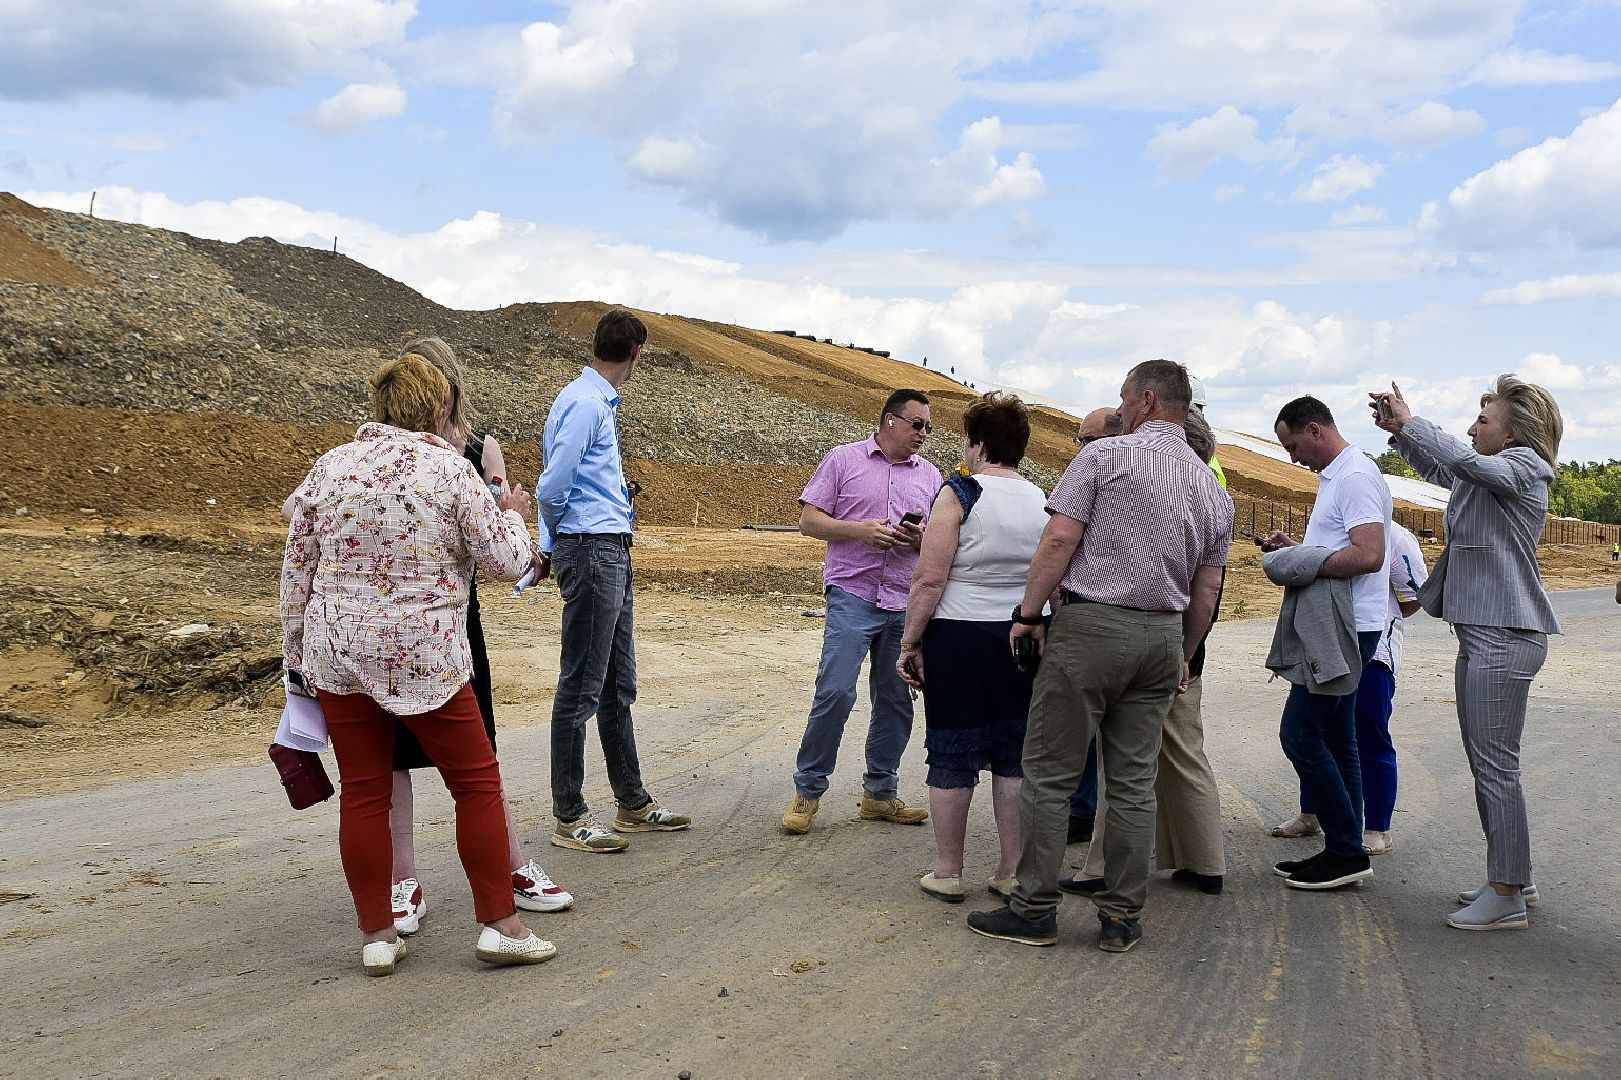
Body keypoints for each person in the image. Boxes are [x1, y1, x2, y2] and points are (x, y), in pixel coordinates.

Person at [281, 352, 555, 975]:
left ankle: (378, 936)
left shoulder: (330, 468)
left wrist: (296, 661)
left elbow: (296, 572)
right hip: (423, 656)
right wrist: (510, 508)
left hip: (339, 653)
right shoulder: (448, 472)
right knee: (476, 782)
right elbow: (509, 564)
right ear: (442, 408)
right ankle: (499, 925)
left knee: (366, 792)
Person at [965, 359, 1232, 954]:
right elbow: (1208, 589)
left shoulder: (1104, 457)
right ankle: (1120, 917)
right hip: (1161, 635)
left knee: (1050, 773)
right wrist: (1184, 655)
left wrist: (1028, 613)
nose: (1120, 408)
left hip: (1092, 627)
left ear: (1145, 399)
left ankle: (1034, 907)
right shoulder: (1211, 487)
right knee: (1134, 783)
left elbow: (1060, 537)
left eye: (1122, 398)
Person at [382, 338, 572, 929]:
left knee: (478, 755)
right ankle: (402, 882)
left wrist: (505, 504)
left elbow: (493, 534)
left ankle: (509, 867)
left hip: (452, 617)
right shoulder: (376, 450)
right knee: (393, 759)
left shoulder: (477, 444)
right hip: (392, 621)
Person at [1372, 376, 1563, 930]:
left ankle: (1506, 895)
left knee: (1495, 768)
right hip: (1486, 633)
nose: (1471, 428)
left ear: (1514, 434)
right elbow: (1446, 467)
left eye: (1483, 420)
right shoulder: (1486, 477)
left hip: (1504, 635)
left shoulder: (1524, 466)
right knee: (1493, 766)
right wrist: (1400, 435)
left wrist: (1413, 422)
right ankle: (1513, 876)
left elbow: (1467, 461)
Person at [534, 310, 690, 853]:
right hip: (593, 548)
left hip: (607, 548)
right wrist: (556, 541)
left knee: (616, 684)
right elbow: (552, 485)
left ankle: (631, 802)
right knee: (580, 685)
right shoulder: (584, 403)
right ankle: (570, 815)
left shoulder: (591, 401)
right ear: (637, 353)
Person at [1062, 407, 1232, 897]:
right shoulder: (1207, 488)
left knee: (1123, 761)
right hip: (1181, 646)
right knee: (1182, 752)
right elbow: (1209, 587)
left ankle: (1100, 869)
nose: (1084, 448)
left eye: (1089, 438)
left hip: (1150, 640)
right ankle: (1205, 861)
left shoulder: (1131, 484)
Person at [896, 392, 1049, 903]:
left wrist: (911, 641)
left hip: (959, 635)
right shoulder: (1040, 496)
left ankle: (948, 870)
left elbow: (929, 578)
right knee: (1013, 755)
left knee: (953, 753)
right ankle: (1010, 870)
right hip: (1022, 636)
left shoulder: (959, 492)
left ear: (978, 444)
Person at [783, 389, 944, 834]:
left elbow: (941, 538)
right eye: (918, 424)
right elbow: (808, 521)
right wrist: (859, 531)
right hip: (853, 592)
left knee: (896, 700)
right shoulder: (843, 460)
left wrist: (919, 538)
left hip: (903, 599)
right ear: (890, 421)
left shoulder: (930, 476)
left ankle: (880, 794)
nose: (924, 434)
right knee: (835, 691)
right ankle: (808, 791)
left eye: (928, 427)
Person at [1264, 397, 1391, 892]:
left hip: (1346, 628)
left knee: (1300, 733)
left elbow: (1370, 555)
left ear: (1314, 430)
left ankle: (1344, 849)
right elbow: (1341, 547)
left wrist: (1303, 562)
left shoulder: (1355, 476)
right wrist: (1298, 549)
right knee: (1339, 739)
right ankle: (1346, 850)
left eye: (1293, 445)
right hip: (1345, 624)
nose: (1294, 457)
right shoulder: (1338, 475)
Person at [1270, 520, 1428, 854]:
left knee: (1368, 735)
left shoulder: (1395, 537)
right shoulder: (1329, 527)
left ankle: (1377, 828)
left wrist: (1383, 614)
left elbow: (1415, 594)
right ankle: (1311, 812)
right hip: (1326, 645)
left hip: (1374, 652)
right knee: (1319, 731)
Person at [1062, 409, 1119, 845]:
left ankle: (1083, 813)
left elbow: (1061, 541)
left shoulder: (1101, 477)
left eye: (1086, 439)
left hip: (1095, 620)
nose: (1077, 449)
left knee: (1083, 726)